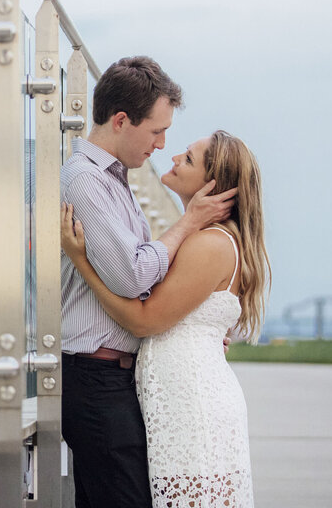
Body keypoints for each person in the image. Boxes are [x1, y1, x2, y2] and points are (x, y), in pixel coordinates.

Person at [58, 56, 236, 508]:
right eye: (157, 130)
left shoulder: (117, 181)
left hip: (114, 380)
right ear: (121, 121)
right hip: (97, 381)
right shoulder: (86, 180)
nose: (161, 144)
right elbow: (133, 276)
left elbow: (144, 279)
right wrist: (188, 221)